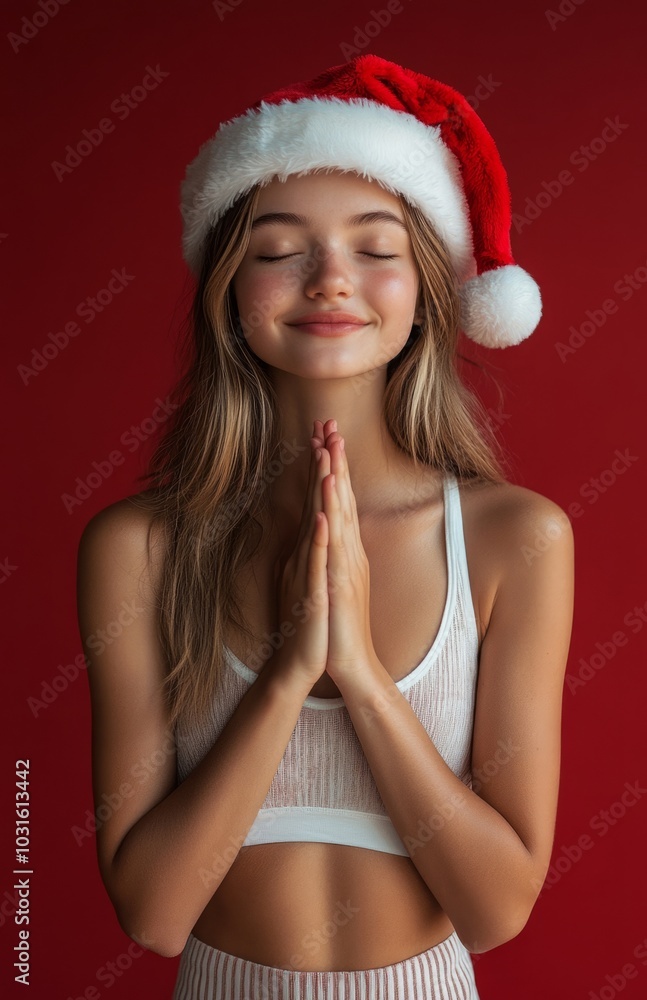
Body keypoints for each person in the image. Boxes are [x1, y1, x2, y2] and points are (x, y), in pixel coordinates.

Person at [76, 54, 575, 1000]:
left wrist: (357, 670)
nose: (330, 280)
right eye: (276, 250)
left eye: (376, 248)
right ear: (229, 288)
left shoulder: (518, 540)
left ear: (429, 289)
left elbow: (497, 909)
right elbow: (152, 913)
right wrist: (290, 672)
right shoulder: (136, 550)